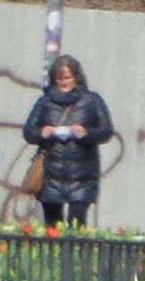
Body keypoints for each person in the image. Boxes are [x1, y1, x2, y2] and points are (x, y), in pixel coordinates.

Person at [24, 55, 109, 230]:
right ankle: (54, 256)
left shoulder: (92, 101)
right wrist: (42, 132)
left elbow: (106, 131)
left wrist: (86, 133)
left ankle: (76, 256)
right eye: (59, 79)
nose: (63, 83)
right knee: (53, 225)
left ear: (76, 77)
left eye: (67, 78)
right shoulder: (45, 102)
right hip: (50, 175)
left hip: (82, 176)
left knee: (77, 222)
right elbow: (28, 132)